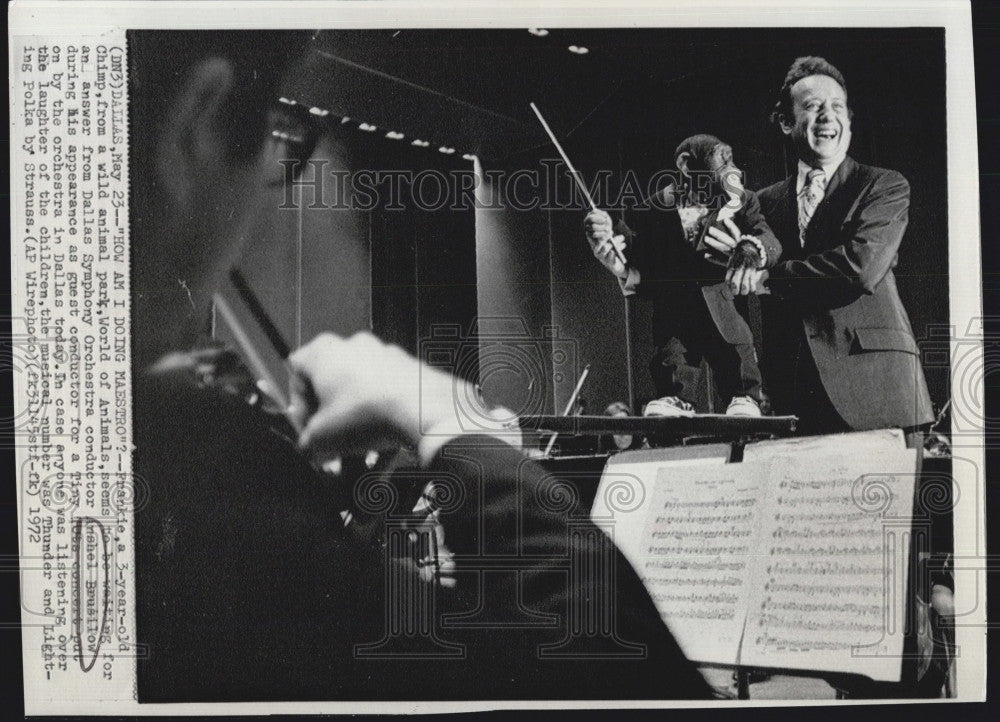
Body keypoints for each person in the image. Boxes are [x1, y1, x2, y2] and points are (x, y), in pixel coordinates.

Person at [128, 31, 711, 701]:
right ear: (199, 122)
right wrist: (456, 423)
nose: (264, 193)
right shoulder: (204, 478)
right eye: (279, 140)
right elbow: (623, 677)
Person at [745, 56, 934, 434]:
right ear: (786, 122)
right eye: (813, 107)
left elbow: (860, 268)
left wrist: (769, 278)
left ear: (848, 119)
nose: (827, 117)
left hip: (880, 393)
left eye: (836, 107)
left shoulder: (883, 185)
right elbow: (722, 279)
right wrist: (629, 265)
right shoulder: (761, 203)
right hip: (792, 401)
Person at [584, 134, 781, 418]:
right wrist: (607, 233)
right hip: (675, 311)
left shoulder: (742, 202)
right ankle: (675, 397)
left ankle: (744, 396)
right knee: (672, 354)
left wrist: (751, 249)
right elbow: (635, 254)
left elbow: (766, 236)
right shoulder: (653, 208)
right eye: (724, 160)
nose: (735, 169)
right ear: (686, 165)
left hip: (723, 308)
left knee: (736, 351)